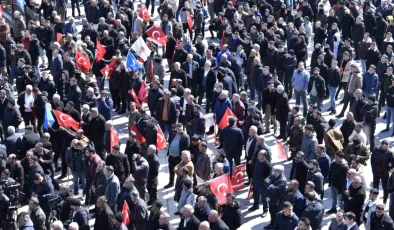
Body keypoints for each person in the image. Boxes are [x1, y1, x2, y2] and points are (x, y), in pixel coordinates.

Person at [165, 123, 190, 189]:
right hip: (171, 156)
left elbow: (186, 148)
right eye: (178, 129)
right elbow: (170, 140)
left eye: (181, 129)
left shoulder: (186, 137)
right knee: (171, 170)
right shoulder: (173, 133)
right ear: (176, 129)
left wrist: (183, 158)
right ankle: (171, 183)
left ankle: (178, 185)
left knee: (179, 172)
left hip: (179, 158)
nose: (179, 131)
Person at [265, 165, 287, 229]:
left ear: (280, 172)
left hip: (277, 200)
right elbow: (265, 180)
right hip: (270, 198)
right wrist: (270, 185)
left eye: (277, 171)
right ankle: (272, 224)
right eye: (274, 171)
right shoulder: (273, 175)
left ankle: (276, 226)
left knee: (276, 213)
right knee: (271, 212)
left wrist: (270, 186)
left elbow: (276, 190)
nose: (275, 172)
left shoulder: (283, 180)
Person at [371, 140, 393, 204]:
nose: (386, 148)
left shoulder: (390, 152)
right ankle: (375, 199)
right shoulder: (376, 149)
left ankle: (385, 200)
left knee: (385, 187)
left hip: (384, 173)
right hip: (376, 172)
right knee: (375, 187)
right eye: (385, 146)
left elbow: (393, 162)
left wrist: (390, 166)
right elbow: (372, 159)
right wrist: (373, 169)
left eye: (387, 146)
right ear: (382, 145)